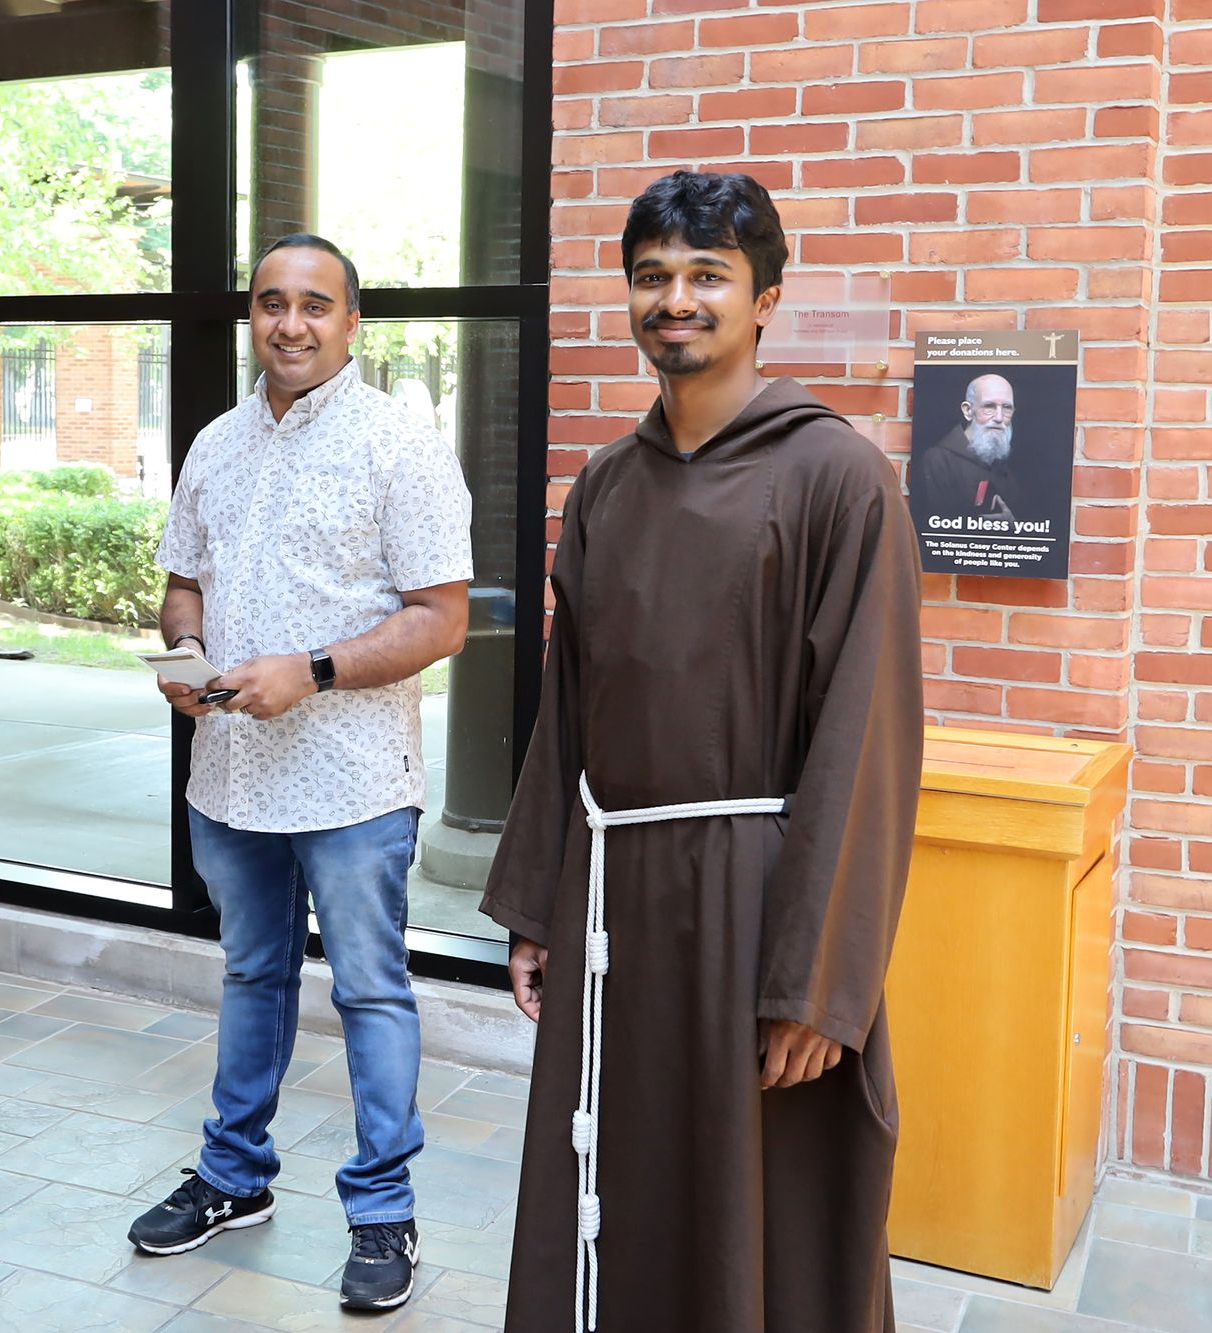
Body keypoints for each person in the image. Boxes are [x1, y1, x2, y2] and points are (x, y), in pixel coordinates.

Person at [480, 171, 923, 1332]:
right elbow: (567, 708)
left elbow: (862, 739)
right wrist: (537, 901)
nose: (673, 301)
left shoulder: (837, 477)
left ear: (764, 296)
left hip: (753, 913)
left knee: (755, 1206)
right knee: (614, 1178)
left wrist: (817, 982)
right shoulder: (605, 485)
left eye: (704, 276)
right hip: (614, 903)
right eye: (650, 277)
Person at [129, 233, 473, 1313]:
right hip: (229, 773)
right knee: (249, 979)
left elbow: (441, 620)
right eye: (271, 303)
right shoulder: (216, 442)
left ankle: (382, 1210)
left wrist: (314, 670)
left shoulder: (400, 443)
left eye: (313, 305)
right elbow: (183, 581)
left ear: (350, 322)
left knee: (370, 990)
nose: (289, 324)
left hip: (352, 778)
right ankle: (234, 1178)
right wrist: (183, 656)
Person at [912, 373, 1024, 524]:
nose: (999, 417)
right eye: (989, 407)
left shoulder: (1000, 466)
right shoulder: (938, 461)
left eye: (1007, 408)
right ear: (968, 411)